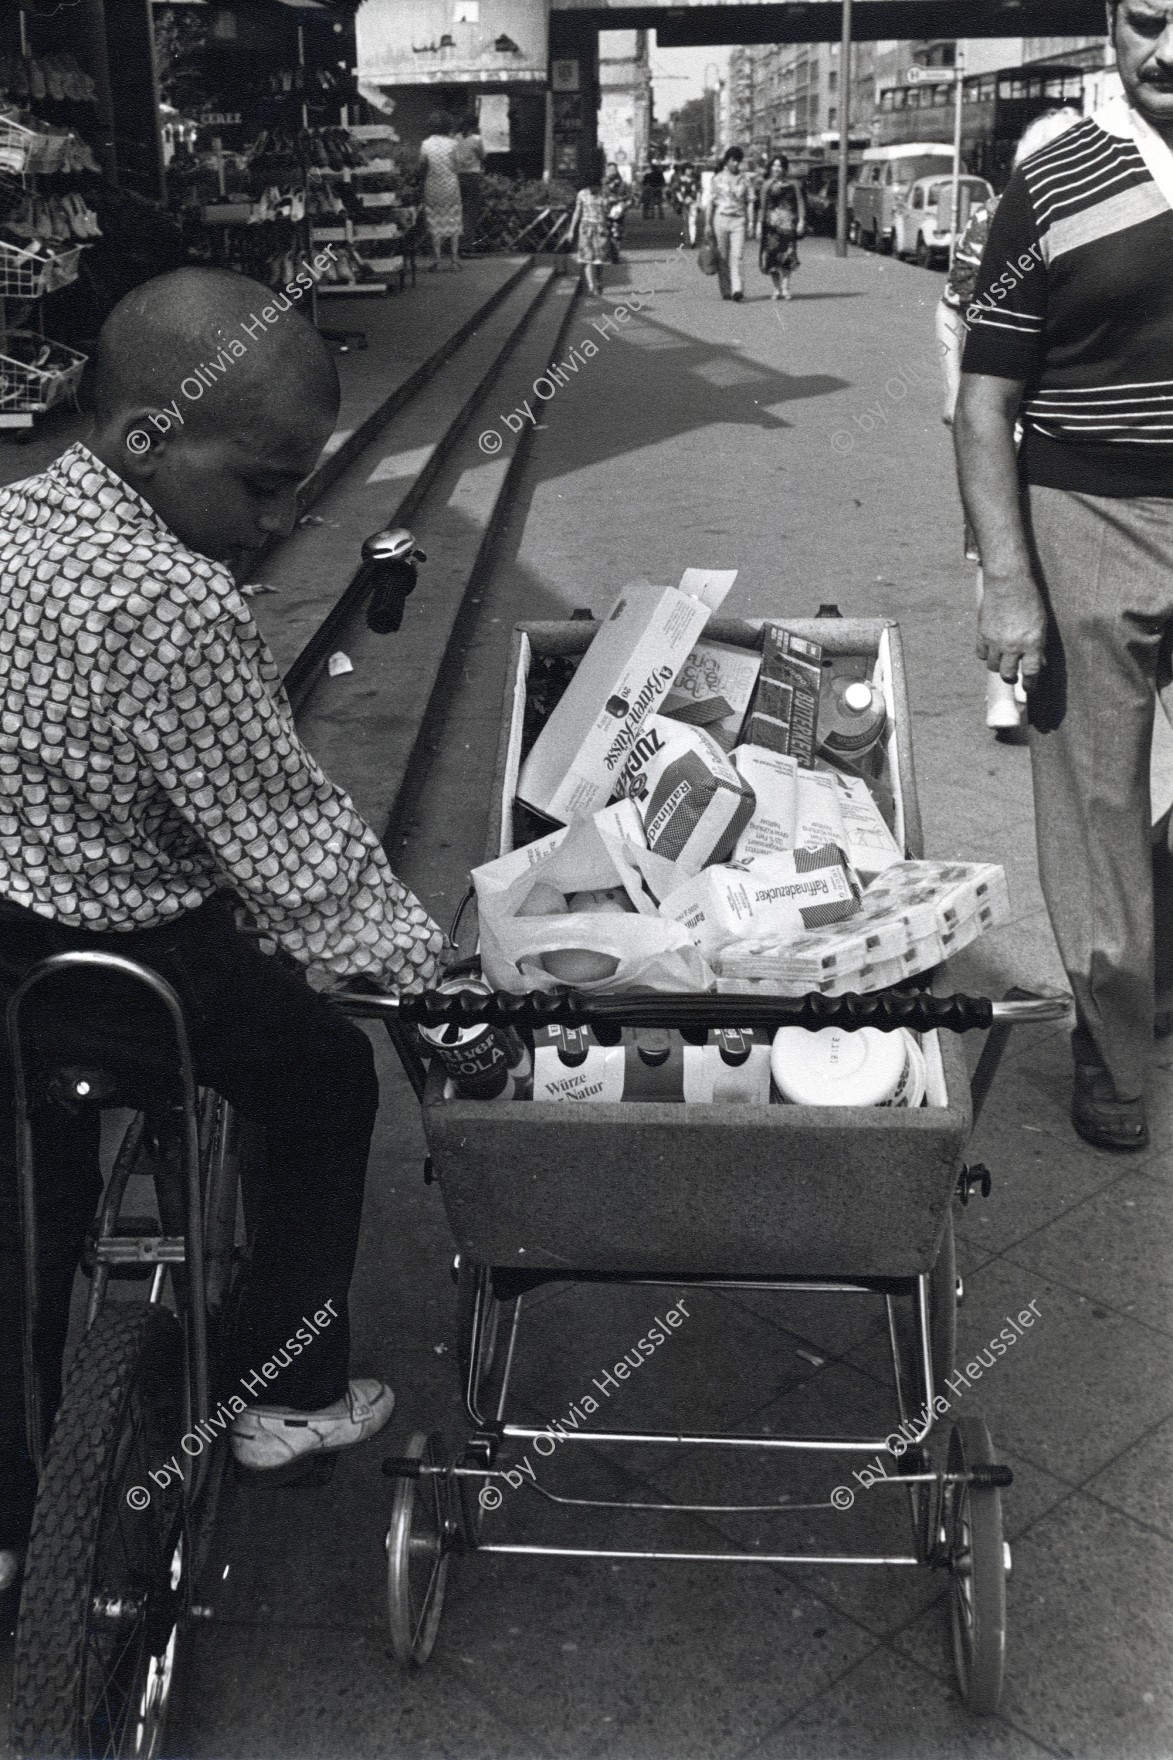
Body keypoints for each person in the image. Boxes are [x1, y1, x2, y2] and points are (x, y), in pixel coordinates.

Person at [0, 268, 446, 1592]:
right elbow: (289, 841)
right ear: (146, 440)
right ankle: (284, 1390)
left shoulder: (9, 527)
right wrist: (434, 991)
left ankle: (18, 1523)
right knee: (318, 1075)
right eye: (259, 484)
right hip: (133, 968)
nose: (283, 514)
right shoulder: (171, 599)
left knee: (31, 1212)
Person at [954, 1, 1173, 1153]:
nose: (1168, 49)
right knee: (1096, 804)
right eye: (1148, 19)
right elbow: (984, 399)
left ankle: (1150, 965)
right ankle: (1112, 1042)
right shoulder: (1051, 185)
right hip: (1090, 511)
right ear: (1110, 25)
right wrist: (1008, 580)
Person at [938, 109, 1081, 735]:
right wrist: (955, 394)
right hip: (1001, 411)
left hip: (1067, 419)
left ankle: (1045, 677)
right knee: (995, 550)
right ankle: (999, 690)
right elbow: (949, 311)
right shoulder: (990, 220)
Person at [705, 145, 753, 302]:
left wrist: (751, 222)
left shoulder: (745, 179)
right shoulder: (717, 179)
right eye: (733, 160)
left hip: (739, 220)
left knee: (737, 255)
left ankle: (737, 289)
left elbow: (750, 202)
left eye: (738, 161)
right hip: (721, 219)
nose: (735, 164)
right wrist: (707, 224)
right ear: (727, 160)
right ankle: (726, 288)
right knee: (722, 256)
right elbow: (710, 203)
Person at [419, 112, 463, 272]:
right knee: (454, 219)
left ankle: (437, 260)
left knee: (434, 219)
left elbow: (423, 165)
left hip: (432, 185)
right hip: (450, 184)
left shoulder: (426, 144)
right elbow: (458, 164)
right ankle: (454, 260)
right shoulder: (453, 144)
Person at [758, 153, 805, 300]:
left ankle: (785, 288)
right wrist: (759, 225)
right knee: (772, 258)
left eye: (780, 166)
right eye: (774, 165)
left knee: (787, 257)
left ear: (784, 168)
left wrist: (801, 221)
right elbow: (762, 207)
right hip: (771, 227)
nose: (777, 168)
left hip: (788, 226)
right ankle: (776, 288)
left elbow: (800, 203)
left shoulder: (794, 185)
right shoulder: (766, 185)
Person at [569, 173, 609, 296]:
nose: (593, 189)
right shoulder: (582, 194)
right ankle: (591, 285)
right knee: (587, 259)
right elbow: (577, 212)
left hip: (600, 228)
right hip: (586, 228)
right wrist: (571, 229)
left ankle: (599, 281)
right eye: (590, 187)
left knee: (599, 259)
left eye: (595, 187)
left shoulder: (604, 194)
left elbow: (607, 212)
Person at [451, 117, 484, 252]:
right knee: (470, 211)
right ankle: (466, 245)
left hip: (457, 176)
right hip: (472, 176)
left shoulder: (454, 138)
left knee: (458, 210)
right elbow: (482, 156)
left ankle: (454, 243)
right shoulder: (476, 139)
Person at [602, 161, 627, 263]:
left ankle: (615, 255)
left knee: (617, 234)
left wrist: (623, 203)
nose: (612, 172)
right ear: (606, 170)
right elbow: (599, 195)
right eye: (610, 169)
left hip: (618, 212)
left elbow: (628, 197)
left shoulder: (622, 183)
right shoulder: (602, 182)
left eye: (614, 169)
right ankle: (606, 253)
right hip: (605, 211)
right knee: (605, 233)